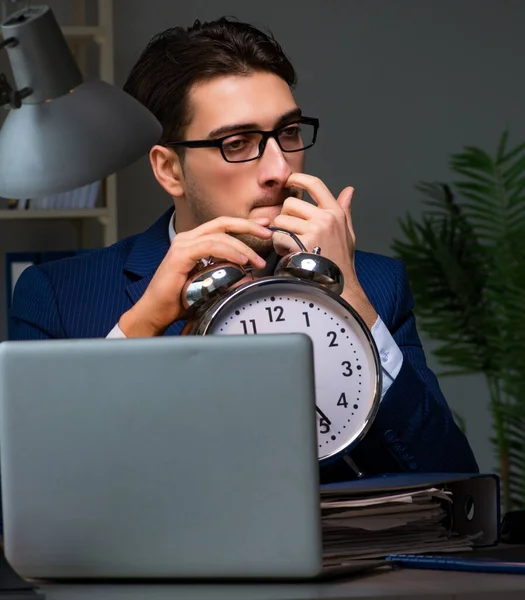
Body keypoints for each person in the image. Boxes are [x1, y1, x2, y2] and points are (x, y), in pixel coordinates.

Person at [9, 17, 478, 480]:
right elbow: (33, 490)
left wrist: (351, 299)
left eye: (289, 133)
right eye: (238, 142)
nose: (278, 168)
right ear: (170, 169)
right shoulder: (56, 294)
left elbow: (453, 485)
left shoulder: (377, 286)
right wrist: (142, 325)